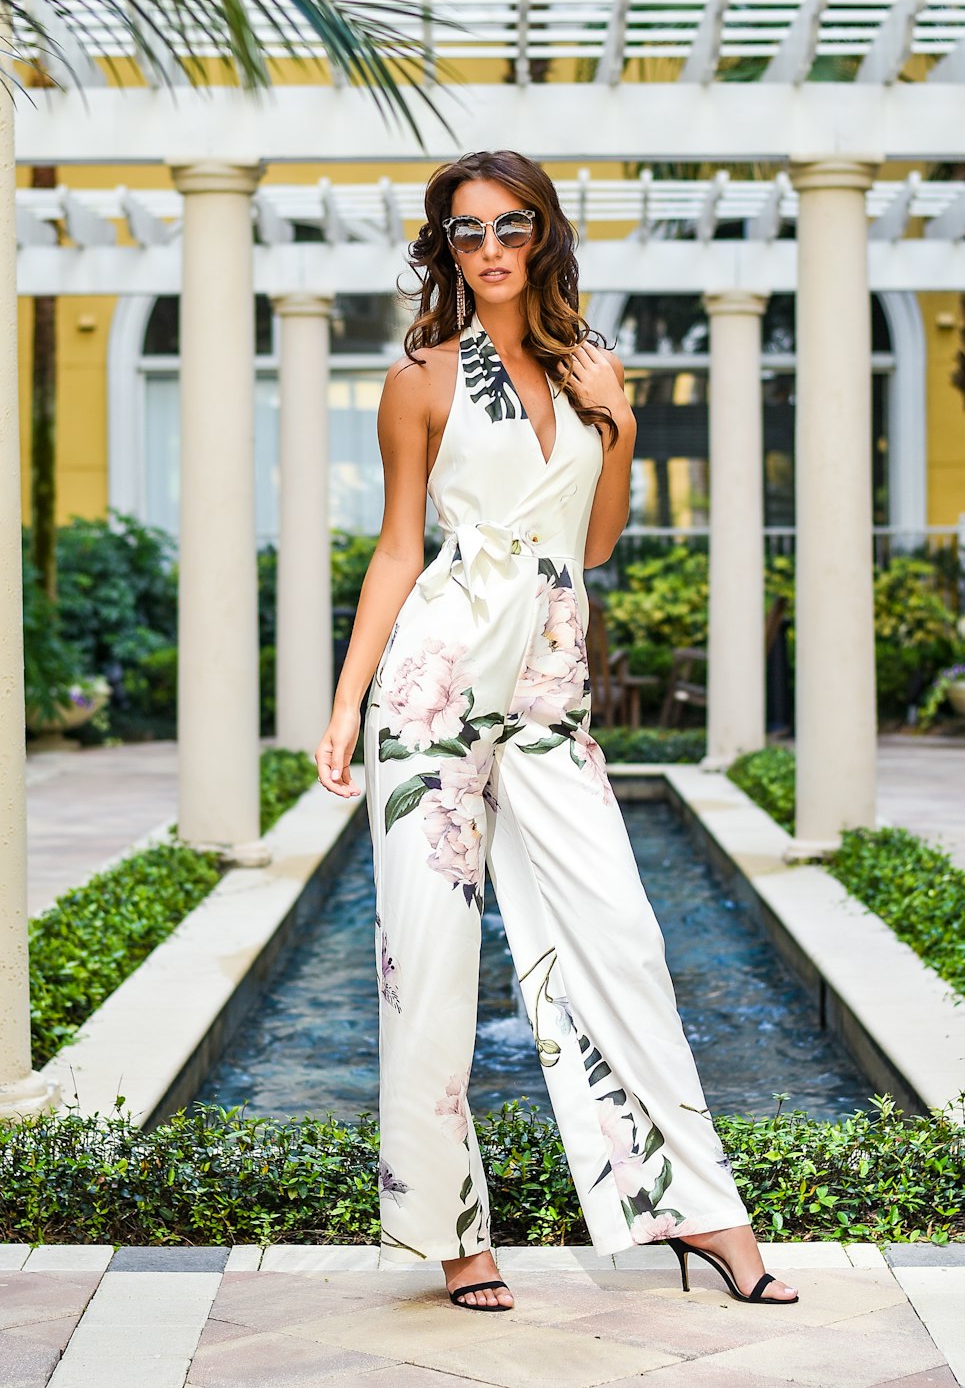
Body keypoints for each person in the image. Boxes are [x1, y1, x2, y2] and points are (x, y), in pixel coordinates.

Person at [314, 150, 799, 1314]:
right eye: (464, 231)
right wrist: (343, 704)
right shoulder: (419, 376)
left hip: (545, 692)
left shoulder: (590, 366)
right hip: (433, 684)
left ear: (542, 235)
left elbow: (591, 546)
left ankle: (704, 1213)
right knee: (429, 960)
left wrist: (618, 422)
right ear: (443, 247)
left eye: (509, 226)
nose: (488, 249)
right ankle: (454, 1233)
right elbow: (395, 548)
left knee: (623, 936)